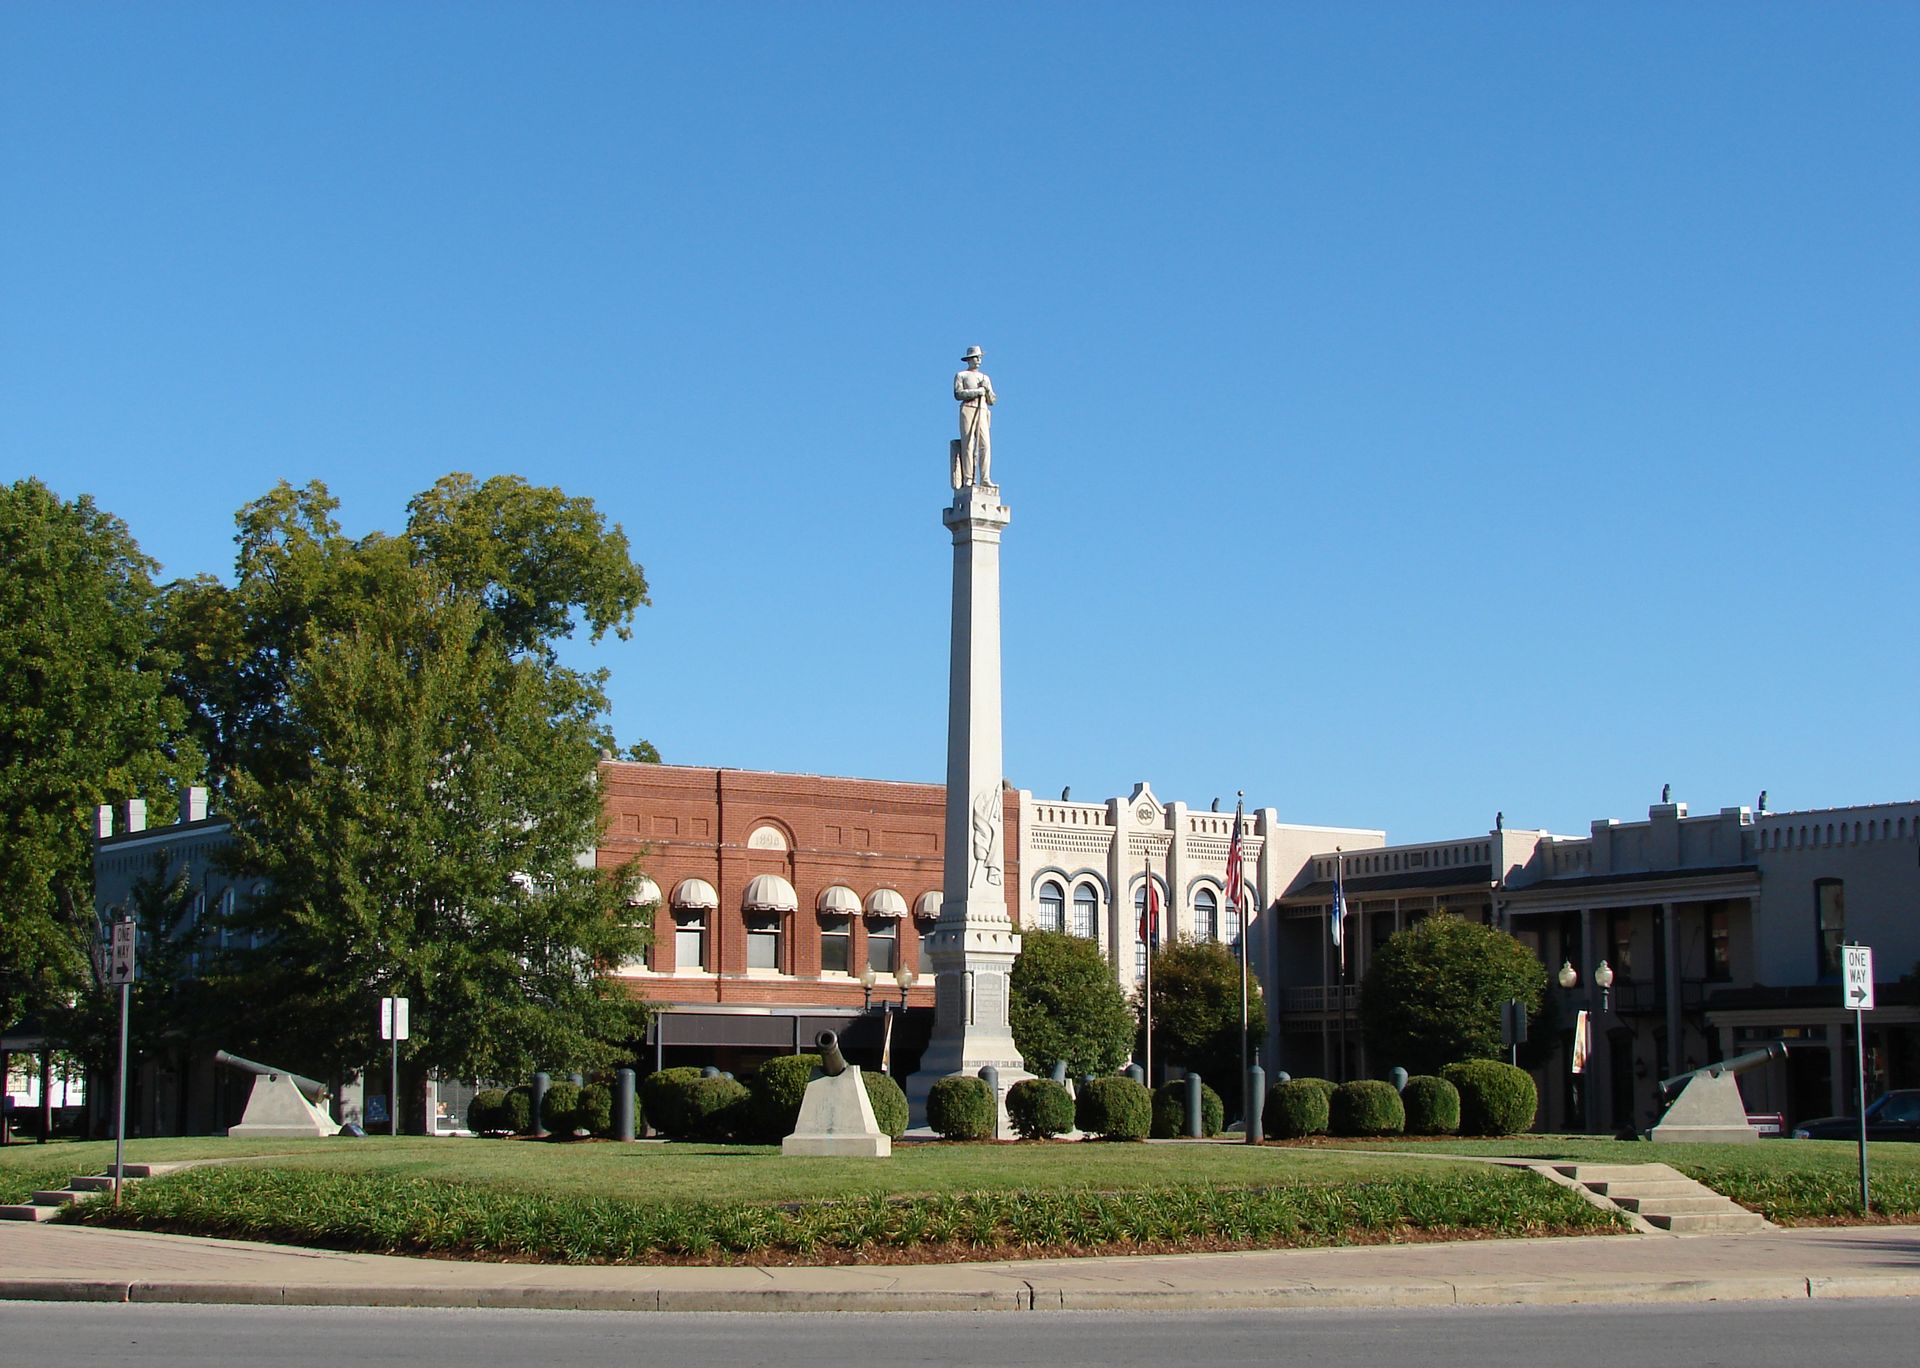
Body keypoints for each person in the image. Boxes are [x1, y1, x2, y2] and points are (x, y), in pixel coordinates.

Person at [953, 345, 996, 487]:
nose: (979, 360)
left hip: (982, 410)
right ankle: (968, 478)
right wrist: (977, 391)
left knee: (985, 445)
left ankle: (985, 478)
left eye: (980, 357)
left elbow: (993, 400)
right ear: (970, 359)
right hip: (968, 408)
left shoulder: (985, 378)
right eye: (976, 357)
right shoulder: (961, 375)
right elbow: (958, 394)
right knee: (968, 444)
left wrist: (987, 390)